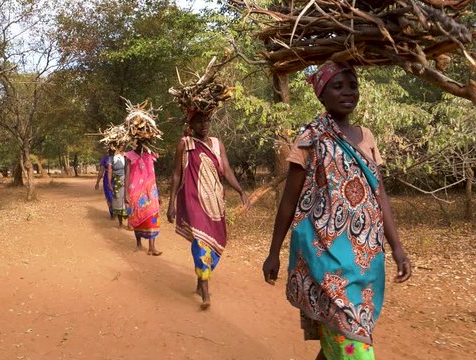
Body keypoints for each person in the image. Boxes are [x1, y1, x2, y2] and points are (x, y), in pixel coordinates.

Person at [262, 61, 412, 360]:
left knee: (343, 334)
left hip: (365, 258)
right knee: (353, 345)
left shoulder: (366, 137)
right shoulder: (311, 137)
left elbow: (379, 194)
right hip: (324, 254)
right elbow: (289, 200)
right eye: (337, 86)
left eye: (352, 85)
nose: (347, 93)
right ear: (321, 94)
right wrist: (273, 251)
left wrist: (397, 248)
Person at [167, 111, 249, 310]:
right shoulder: (184, 145)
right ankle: (205, 289)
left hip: (215, 201)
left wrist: (240, 191)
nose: (204, 124)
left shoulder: (216, 143)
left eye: (206, 120)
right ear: (191, 123)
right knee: (201, 241)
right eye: (199, 121)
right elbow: (177, 174)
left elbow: (227, 170)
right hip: (193, 201)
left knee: (218, 243)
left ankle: (200, 277)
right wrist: (171, 203)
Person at [125, 144, 161, 256]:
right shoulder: (129, 155)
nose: (140, 144)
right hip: (135, 191)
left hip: (150, 191)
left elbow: (154, 169)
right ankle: (138, 244)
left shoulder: (150, 154)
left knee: (152, 215)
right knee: (137, 216)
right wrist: (126, 192)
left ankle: (152, 247)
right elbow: (127, 174)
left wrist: (148, 149)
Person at [108, 146, 129, 229]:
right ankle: (120, 223)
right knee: (118, 202)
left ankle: (130, 223)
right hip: (117, 182)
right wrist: (109, 183)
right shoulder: (112, 158)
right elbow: (110, 170)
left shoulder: (127, 155)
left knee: (128, 202)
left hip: (127, 181)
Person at [95, 149, 115, 219]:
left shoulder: (120, 157)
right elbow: (101, 171)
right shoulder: (105, 159)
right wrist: (97, 182)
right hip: (107, 180)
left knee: (115, 197)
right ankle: (112, 212)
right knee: (110, 197)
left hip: (117, 179)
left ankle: (115, 212)